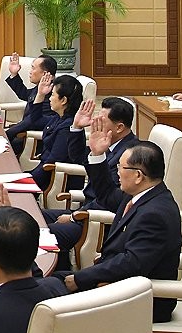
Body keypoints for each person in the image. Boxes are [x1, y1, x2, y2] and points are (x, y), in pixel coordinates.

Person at [52, 134, 182, 322]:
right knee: (50, 280)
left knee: (43, 293)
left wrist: (82, 278)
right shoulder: (139, 195)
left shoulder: (156, 214)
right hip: (115, 283)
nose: (118, 172)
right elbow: (105, 194)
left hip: (138, 299)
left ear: (138, 175)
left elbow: (132, 263)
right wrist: (97, 155)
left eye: (121, 167)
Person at [43, 96, 140, 257]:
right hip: (86, 210)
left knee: (39, 233)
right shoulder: (111, 143)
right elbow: (79, 157)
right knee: (34, 215)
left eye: (102, 119)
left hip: (96, 221)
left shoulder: (129, 155)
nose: (96, 121)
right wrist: (76, 127)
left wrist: (74, 217)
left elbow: (110, 200)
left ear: (119, 127)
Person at [27, 74, 83, 195]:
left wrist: (26, 180)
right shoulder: (58, 118)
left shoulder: (67, 127)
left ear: (63, 100)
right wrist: (40, 94)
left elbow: (52, 162)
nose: (50, 99)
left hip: (51, 179)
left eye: (52, 95)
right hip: (41, 172)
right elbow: (35, 121)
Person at [3, 54, 58, 155]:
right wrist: (14, 74)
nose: (30, 71)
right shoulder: (41, 88)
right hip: (25, 134)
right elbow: (26, 95)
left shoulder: (50, 93)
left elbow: (33, 120)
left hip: (34, 142)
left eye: (33, 68)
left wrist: (7, 133)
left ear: (44, 73)